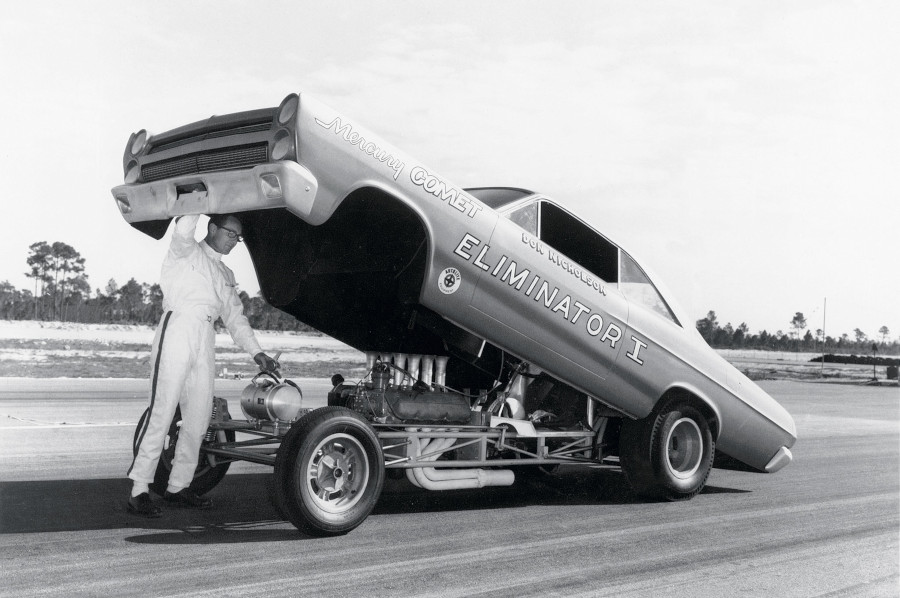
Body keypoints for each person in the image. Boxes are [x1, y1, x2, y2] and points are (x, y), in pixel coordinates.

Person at [127, 213, 279, 517]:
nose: (235, 242)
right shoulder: (186, 250)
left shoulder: (224, 272)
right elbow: (184, 226)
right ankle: (139, 490)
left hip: (205, 337)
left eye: (239, 237)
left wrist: (257, 352)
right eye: (230, 234)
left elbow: (236, 318)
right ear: (211, 228)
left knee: (198, 419)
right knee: (162, 411)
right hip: (178, 328)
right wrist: (202, 195)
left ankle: (178, 487)